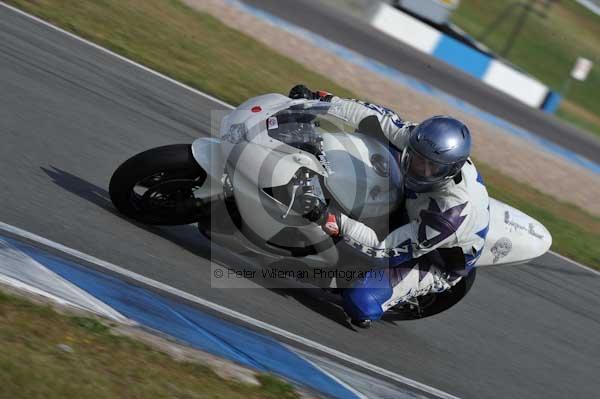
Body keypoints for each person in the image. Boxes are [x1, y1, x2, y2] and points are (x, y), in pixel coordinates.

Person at [289, 85, 490, 328]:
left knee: (359, 302)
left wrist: (327, 217)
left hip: (433, 256)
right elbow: (378, 119)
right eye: (416, 158)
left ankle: (379, 299)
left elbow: (383, 248)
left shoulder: (448, 215)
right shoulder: (422, 141)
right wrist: (320, 101)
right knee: (374, 140)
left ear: (450, 171)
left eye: (432, 167)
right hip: (413, 206)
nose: (419, 169)